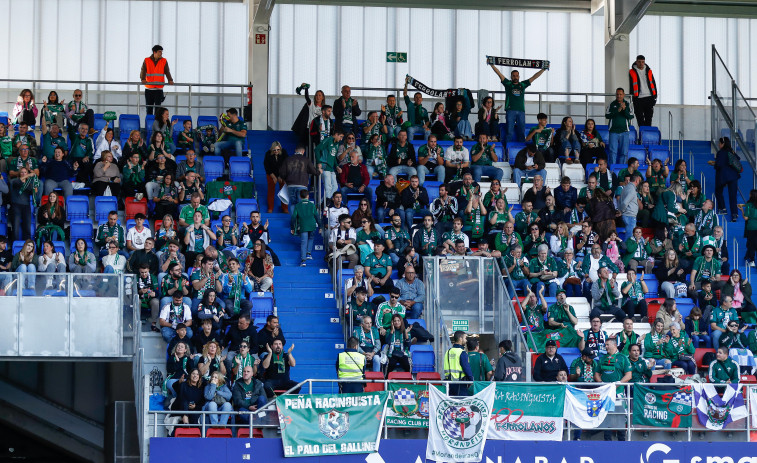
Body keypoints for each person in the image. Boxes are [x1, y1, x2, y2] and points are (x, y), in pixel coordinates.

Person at [489, 62, 546, 143]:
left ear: (519, 76)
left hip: (521, 111)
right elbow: (499, 73)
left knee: (521, 132)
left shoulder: (522, 84)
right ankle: (507, 148)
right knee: (509, 131)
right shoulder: (508, 84)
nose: (515, 77)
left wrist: (543, 69)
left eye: (517, 75)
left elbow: (534, 77)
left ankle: (521, 149)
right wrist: (492, 64)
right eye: (514, 76)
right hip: (510, 110)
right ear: (511, 77)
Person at [594, 338, 631, 441]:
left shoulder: (623, 358)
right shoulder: (602, 358)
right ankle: (607, 442)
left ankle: (622, 442)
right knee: (607, 416)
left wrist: (617, 384)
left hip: (618, 393)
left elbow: (628, 375)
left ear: (614, 345)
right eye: (605, 345)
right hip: (606, 394)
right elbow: (596, 373)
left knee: (619, 417)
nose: (605, 347)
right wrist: (601, 383)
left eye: (607, 345)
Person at [709, 137, 741, 221]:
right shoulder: (732, 151)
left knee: (718, 191)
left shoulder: (720, 152)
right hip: (733, 176)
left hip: (723, 176)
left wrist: (714, 164)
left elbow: (718, 165)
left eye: (719, 143)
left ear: (723, 144)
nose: (719, 145)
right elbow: (737, 159)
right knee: (733, 196)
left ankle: (722, 208)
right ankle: (734, 214)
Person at [140, 45, 173, 115]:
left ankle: (156, 124)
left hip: (159, 89)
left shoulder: (164, 61)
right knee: (149, 108)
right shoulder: (147, 60)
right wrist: (142, 79)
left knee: (158, 110)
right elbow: (143, 70)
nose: (161, 53)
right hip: (149, 89)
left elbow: (167, 71)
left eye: (161, 52)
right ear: (154, 52)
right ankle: (149, 125)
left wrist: (170, 80)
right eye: (159, 52)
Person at [290, 189, 320, 266]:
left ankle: (303, 260)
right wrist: (320, 226)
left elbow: (293, 217)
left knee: (304, 242)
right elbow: (316, 216)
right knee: (311, 238)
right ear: (308, 196)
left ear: (300, 196)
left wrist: (292, 228)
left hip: (303, 226)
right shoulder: (312, 205)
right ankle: (308, 254)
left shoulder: (297, 205)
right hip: (312, 225)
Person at [605, 88, 634, 165]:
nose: (619, 96)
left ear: (624, 95)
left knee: (624, 153)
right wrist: (618, 110)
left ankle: (621, 169)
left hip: (625, 131)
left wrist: (624, 110)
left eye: (620, 94)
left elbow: (631, 116)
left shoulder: (628, 104)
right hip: (613, 131)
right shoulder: (611, 104)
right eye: (617, 94)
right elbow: (607, 115)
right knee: (612, 152)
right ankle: (612, 170)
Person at [629, 55, 658, 127]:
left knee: (649, 119)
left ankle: (647, 137)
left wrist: (655, 96)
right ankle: (641, 136)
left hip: (649, 97)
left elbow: (653, 83)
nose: (641, 64)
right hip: (638, 98)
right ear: (636, 62)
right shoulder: (631, 72)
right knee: (640, 120)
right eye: (639, 62)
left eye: (643, 62)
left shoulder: (649, 71)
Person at [316, 130, 344, 200]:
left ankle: (324, 202)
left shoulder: (337, 143)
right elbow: (317, 149)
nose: (341, 139)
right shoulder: (328, 140)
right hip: (324, 166)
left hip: (331, 168)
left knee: (335, 187)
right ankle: (327, 205)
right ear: (336, 134)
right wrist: (318, 162)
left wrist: (337, 166)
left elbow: (333, 156)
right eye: (340, 137)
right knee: (328, 187)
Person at [443, 330, 473, 395]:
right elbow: (466, 368)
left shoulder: (448, 352)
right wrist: (471, 380)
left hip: (449, 384)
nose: (466, 340)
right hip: (460, 384)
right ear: (460, 339)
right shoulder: (462, 352)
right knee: (462, 403)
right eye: (465, 338)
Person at [739, 189, 757, 267]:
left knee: (751, 244)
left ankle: (752, 260)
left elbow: (746, 218)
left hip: (751, 227)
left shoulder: (749, 204)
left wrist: (742, 210)